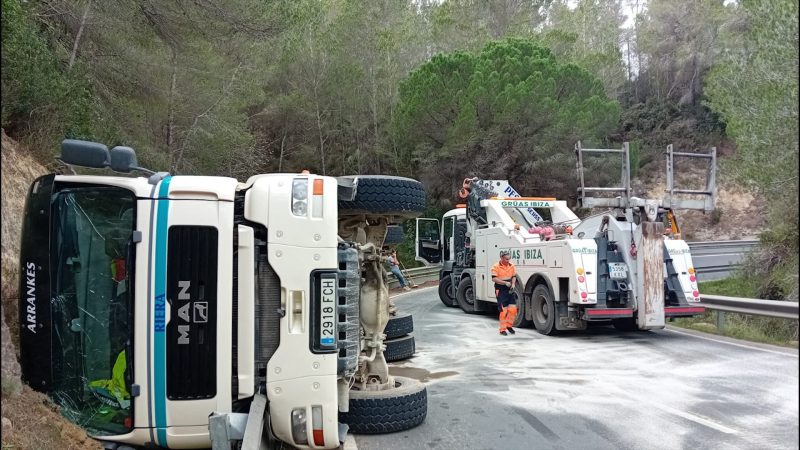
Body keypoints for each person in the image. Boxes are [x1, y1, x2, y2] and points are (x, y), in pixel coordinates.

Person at [491, 250, 518, 335]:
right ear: (502, 258)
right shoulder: (495, 266)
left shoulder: (512, 266)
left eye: (509, 259)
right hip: (501, 290)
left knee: (513, 310)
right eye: (506, 259)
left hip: (509, 289)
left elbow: (514, 276)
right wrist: (505, 283)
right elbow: (494, 279)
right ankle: (502, 329)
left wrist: (513, 284)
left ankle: (509, 326)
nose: (508, 261)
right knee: (503, 311)